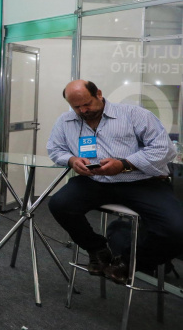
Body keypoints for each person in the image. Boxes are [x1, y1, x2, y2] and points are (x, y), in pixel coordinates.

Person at [47, 79, 183, 283]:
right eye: (76, 107)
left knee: (177, 229)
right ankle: (98, 249)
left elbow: (164, 149)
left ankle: (129, 262)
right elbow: (55, 149)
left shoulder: (134, 114)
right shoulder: (65, 121)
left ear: (99, 94)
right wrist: (72, 160)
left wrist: (124, 164)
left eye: (87, 104)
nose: (83, 111)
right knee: (59, 205)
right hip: (95, 181)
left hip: (141, 181)